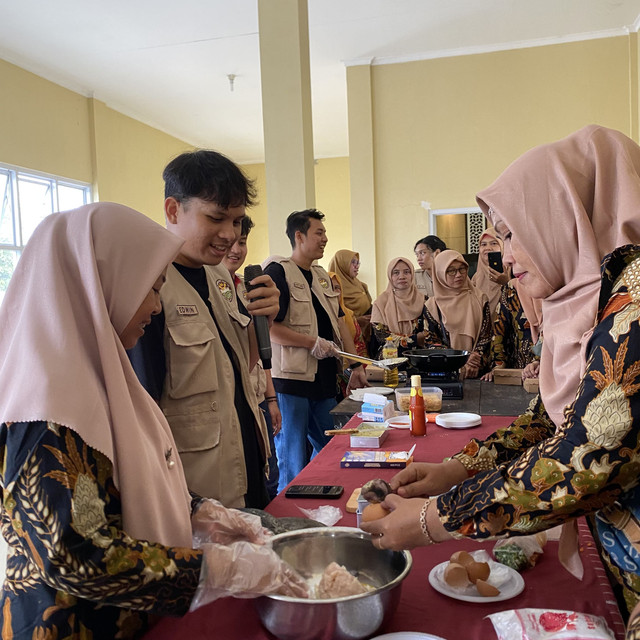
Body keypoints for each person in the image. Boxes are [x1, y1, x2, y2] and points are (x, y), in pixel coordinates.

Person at [359, 125, 640, 629]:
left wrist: (435, 518)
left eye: (512, 234)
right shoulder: (600, 298)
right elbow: (550, 420)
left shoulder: (635, 303)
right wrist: (457, 470)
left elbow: (585, 458)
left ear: (563, 214)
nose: (505, 260)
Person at [0, 203, 307, 639]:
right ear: (102, 283)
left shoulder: (102, 378)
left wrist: (199, 510)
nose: (157, 306)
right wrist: (215, 569)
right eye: (151, 288)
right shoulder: (47, 409)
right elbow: (77, 552)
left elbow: (125, 482)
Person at [128, 150, 278, 509]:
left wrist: (264, 322)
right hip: (198, 492)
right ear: (172, 210)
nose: (229, 235)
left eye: (238, 221)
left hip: (246, 469)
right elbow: (143, 410)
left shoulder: (219, 277)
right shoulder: (148, 288)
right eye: (216, 218)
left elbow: (239, 365)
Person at [264, 210, 368, 491]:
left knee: (332, 448)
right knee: (293, 457)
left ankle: (327, 505)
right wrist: (312, 342)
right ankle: (289, 518)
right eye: (318, 233)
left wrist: (354, 366)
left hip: (323, 382)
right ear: (299, 236)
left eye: (324, 233)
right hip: (292, 383)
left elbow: (339, 323)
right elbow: (270, 330)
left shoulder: (322, 276)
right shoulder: (278, 273)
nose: (325, 239)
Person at [222, 215, 280, 500]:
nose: (235, 249)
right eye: (230, 242)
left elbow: (256, 354)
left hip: (256, 398)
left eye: (242, 242)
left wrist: (270, 399)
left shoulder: (248, 289)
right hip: (229, 406)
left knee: (269, 475)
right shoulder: (209, 293)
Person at [422, 250, 492, 378]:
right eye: (451, 271)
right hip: (446, 371)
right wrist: (461, 359)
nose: (458, 275)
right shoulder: (432, 306)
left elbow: (486, 336)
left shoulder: (480, 299)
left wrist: (475, 360)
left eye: (462, 269)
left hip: (478, 372)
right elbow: (431, 342)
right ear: (440, 274)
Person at [480, 276, 541, 382]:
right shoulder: (513, 288)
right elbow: (499, 332)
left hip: (552, 373)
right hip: (518, 376)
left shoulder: (559, 287)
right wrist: (499, 367)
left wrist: (540, 362)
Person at [370, 257, 427, 358]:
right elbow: (381, 336)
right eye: (396, 273)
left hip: (420, 356)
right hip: (391, 356)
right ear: (389, 276)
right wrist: (414, 339)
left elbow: (430, 332)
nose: (402, 276)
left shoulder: (425, 301)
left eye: (406, 272)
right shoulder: (381, 303)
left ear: (412, 275)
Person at [471, 227, 511, 321]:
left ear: (503, 246)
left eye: (494, 243)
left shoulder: (513, 271)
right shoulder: (476, 278)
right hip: (484, 331)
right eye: (483, 244)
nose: (488, 248)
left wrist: (507, 283)